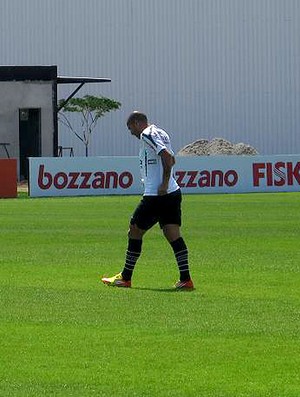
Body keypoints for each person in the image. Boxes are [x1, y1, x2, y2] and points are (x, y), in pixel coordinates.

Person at [101, 111, 194, 290]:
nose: (132, 134)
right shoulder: (160, 132)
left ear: (137, 123)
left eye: (130, 129)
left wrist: (163, 184)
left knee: (134, 231)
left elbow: (168, 158)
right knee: (173, 235)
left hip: (157, 195)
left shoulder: (147, 134)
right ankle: (186, 280)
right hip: (173, 193)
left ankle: (125, 278)